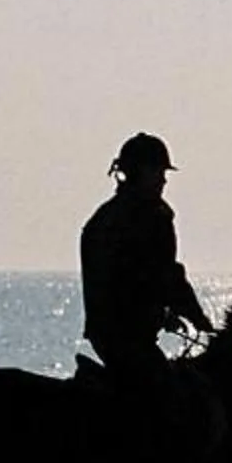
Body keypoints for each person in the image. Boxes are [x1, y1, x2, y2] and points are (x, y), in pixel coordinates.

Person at [80, 132, 213, 379]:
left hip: (106, 335)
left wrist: (162, 314)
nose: (163, 180)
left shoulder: (101, 219)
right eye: (157, 172)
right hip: (127, 338)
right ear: (138, 172)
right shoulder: (153, 218)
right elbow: (166, 277)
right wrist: (200, 319)